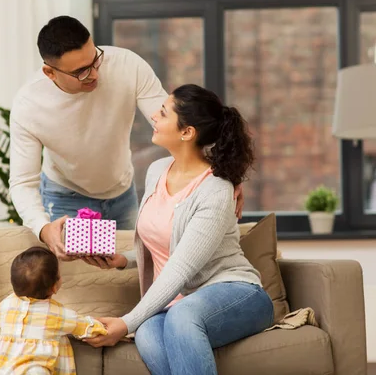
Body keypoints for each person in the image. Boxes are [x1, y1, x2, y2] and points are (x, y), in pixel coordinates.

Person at [8, 16, 245, 260]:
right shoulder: (29, 105)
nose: (94, 75)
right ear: (50, 72)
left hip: (122, 193)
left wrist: (223, 174)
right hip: (67, 198)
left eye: (95, 60)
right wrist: (43, 228)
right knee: (83, 281)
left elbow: (176, 126)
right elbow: (23, 181)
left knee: (132, 269)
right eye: (80, 72)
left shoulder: (126, 65)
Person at [82, 84, 273, 375]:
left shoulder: (216, 190)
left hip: (237, 293)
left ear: (187, 132)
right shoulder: (157, 170)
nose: (154, 118)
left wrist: (125, 322)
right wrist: (125, 259)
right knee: (147, 331)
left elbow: (181, 267)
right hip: (177, 305)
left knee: (180, 316)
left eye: (162, 113)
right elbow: (165, 241)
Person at [0, 246, 107, 375]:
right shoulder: (57, 314)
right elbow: (88, 328)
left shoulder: (6, 305)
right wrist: (103, 326)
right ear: (54, 287)